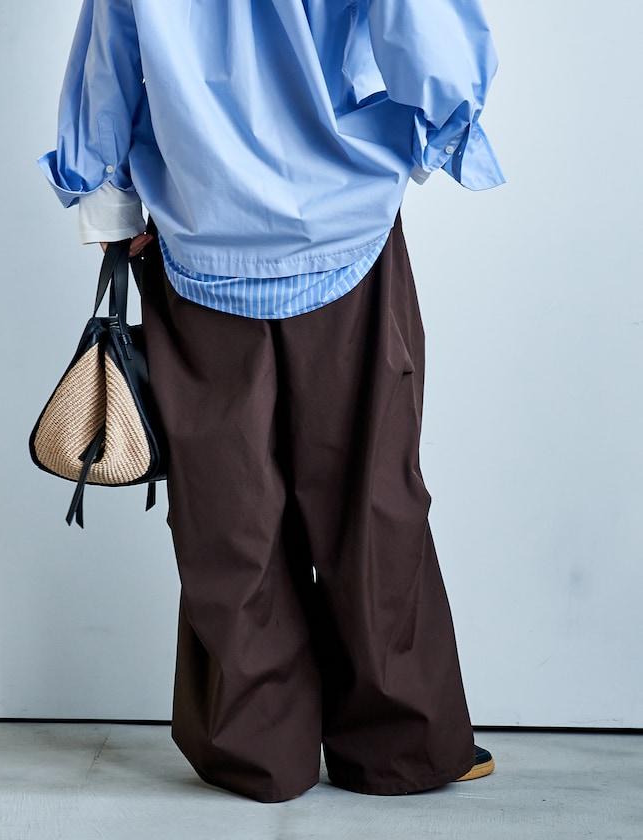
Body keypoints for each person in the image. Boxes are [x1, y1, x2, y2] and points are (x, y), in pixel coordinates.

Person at [38, 0, 505, 803]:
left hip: (197, 232)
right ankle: (402, 744)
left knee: (229, 507)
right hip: (344, 224)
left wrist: (109, 199)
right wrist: (436, 136)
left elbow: (107, 59)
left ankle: (259, 751)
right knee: (370, 495)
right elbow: (425, 38)